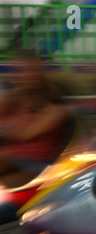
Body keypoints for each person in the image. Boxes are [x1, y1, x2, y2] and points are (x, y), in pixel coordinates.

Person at [0, 50, 72, 188]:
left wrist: (6, 129)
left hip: (36, 168)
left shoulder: (56, 110)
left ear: (38, 75)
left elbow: (22, 135)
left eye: (23, 71)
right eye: (15, 71)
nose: (18, 76)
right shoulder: (16, 101)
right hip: (12, 163)